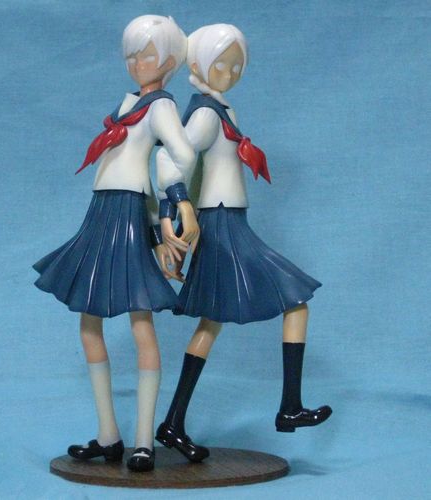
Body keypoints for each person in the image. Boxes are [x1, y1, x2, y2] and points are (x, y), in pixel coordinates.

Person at [155, 24, 331, 463]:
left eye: (237, 66)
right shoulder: (206, 115)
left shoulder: (221, 110)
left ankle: (173, 423)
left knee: (211, 322)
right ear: (199, 65)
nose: (231, 73)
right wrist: (178, 209)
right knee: (295, 299)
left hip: (230, 219)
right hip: (222, 223)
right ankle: (288, 407)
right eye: (222, 64)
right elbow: (169, 158)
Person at [33, 15, 199, 472]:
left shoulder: (160, 106)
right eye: (132, 55)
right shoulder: (130, 103)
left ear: (169, 61)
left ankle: (144, 440)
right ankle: (109, 435)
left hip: (127, 210)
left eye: (147, 54)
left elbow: (182, 154)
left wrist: (173, 205)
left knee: (139, 319)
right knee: (89, 321)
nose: (137, 62)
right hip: (102, 210)